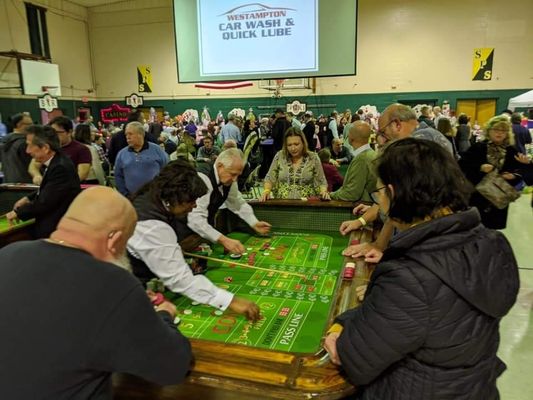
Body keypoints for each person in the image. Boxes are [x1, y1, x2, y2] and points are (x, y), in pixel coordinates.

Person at [324, 138, 519, 400]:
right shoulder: (492, 242)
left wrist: (339, 329)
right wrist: (363, 313)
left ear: (394, 193)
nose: (378, 201)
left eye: (379, 192)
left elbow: (355, 359)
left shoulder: (410, 275)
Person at [0, 186, 192, 398]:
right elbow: (172, 367)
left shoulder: (8, 253)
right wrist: (165, 314)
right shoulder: (115, 284)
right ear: (114, 239)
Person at [127, 160, 261, 321]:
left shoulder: (154, 193)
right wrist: (231, 301)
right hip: (121, 286)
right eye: (191, 201)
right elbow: (180, 280)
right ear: (177, 197)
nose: (195, 205)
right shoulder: (153, 226)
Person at [341, 104, 453, 261]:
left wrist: (380, 246)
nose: (382, 139)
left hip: (425, 250)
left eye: (383, 132)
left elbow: (402, 205)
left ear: (397, 124)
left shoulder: (421, 143)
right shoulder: (424, 136)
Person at [179, 148, 271, 255]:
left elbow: (237, 203)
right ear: (220, 166)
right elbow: (195, 219)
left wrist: (254, 223)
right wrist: (224, 240)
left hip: (200, 234)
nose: (235, 179)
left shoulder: (229, 181)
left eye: (238, 175)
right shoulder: (203, 178)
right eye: (233, 174)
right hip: (182, 235)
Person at [6, 125, 80, 238]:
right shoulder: (56, 162)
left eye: (30, 146)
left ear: (45, 148)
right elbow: (50, 189)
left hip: (56, 230)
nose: (27, 151)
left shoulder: (60, 167)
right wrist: (28, 198)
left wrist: (18, 213)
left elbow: (46, 202)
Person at [459, 115, 530, 229]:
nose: (500, 133)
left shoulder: (511, 150)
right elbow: (461, 165)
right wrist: (480, 167)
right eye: (496, 129)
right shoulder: (478, 147)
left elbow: (521, 172)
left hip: (498, 198)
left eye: (503, 130)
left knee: (492, 231)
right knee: (475, 228)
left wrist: (513, 176)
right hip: (477, 196)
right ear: (489, 130)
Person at [261, 127, 329, 201]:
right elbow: (270, 178)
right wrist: (266, 191)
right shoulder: (279, 156)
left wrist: (323, 192)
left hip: (307, 205)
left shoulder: (313, 158)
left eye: (296, 144)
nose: (293, 148)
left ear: (303, 143)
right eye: (289, 145)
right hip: (282, 204)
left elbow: (321, 181)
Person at [114, 121, 169, 197]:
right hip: (131, 199)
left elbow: (167, 171)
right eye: (126, 134)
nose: (127, 137)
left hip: (155, 198)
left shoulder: (157, 150)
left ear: (141, 134)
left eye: (130, 134)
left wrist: (162, 191)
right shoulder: (122, 154)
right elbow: (118, 176)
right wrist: (125, 194)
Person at [330, 121, 377, 202]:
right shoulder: (372, 154)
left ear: (351, 138)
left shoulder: (361, 159)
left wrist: (330, 194)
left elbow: (351, 194)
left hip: (361, 209)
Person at [0, 112, 33, 183]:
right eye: (29, 124)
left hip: (8, 184)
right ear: (19, 125)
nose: (32, 126)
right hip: (26, 185)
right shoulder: (24, 144)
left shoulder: (3, 142)